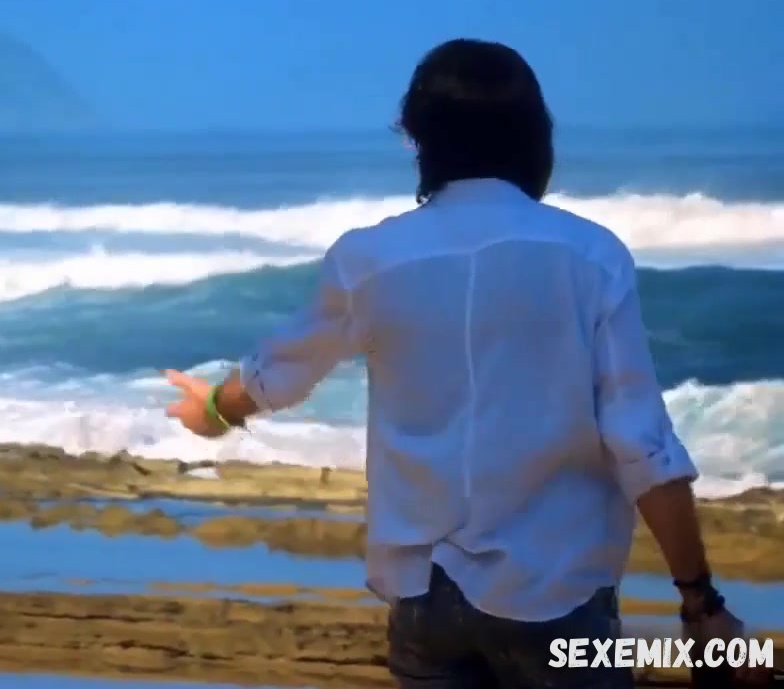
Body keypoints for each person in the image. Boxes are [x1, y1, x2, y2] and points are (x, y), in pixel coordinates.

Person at [164, 39, 765, 687]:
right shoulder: (591, 256)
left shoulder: (370, 259)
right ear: (535, 136)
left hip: (423, 595)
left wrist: (214, 410)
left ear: (421, 140)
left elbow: (282, 372)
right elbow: (640, 441)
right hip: (557, 593)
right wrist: (700, 602)